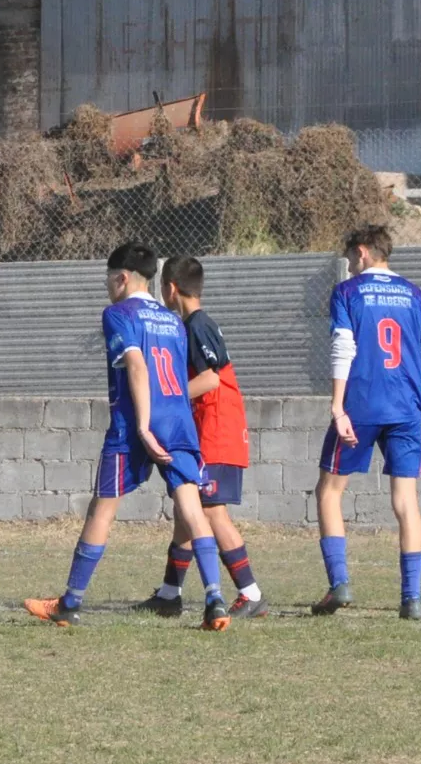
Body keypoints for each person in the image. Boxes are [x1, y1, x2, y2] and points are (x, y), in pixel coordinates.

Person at [23, 242, 232, 631]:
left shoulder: (118, 314)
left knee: (103, 507)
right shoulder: (172, 320)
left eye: (108, 280)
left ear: (121, 278)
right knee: (189, 506)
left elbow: (136, 366)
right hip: (179, 420)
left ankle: (69, 603)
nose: (106, 288)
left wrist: (142, 424)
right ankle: (215, 599)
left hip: (136, 420)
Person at [310, 224, 421, 621]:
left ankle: (340, 585)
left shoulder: (349, 292)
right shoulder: (415, 294)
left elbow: (343, 346)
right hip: (407, 409)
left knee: (330, 490)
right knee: (406, 502)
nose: (349, 264)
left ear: (363, 252)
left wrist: (337, 406)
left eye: (351, 256)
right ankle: (412, 599)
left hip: (362, 405)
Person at [132, 257, 266, 618]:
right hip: (211, 428)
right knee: (186, 511)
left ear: (171, 288)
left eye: (162, 288)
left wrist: (169, 397)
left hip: (216, 430)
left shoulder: (196, 326)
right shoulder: (197, 324)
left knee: (211, 512)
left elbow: (210, 380)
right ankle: (169, 594)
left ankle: (250, 593)